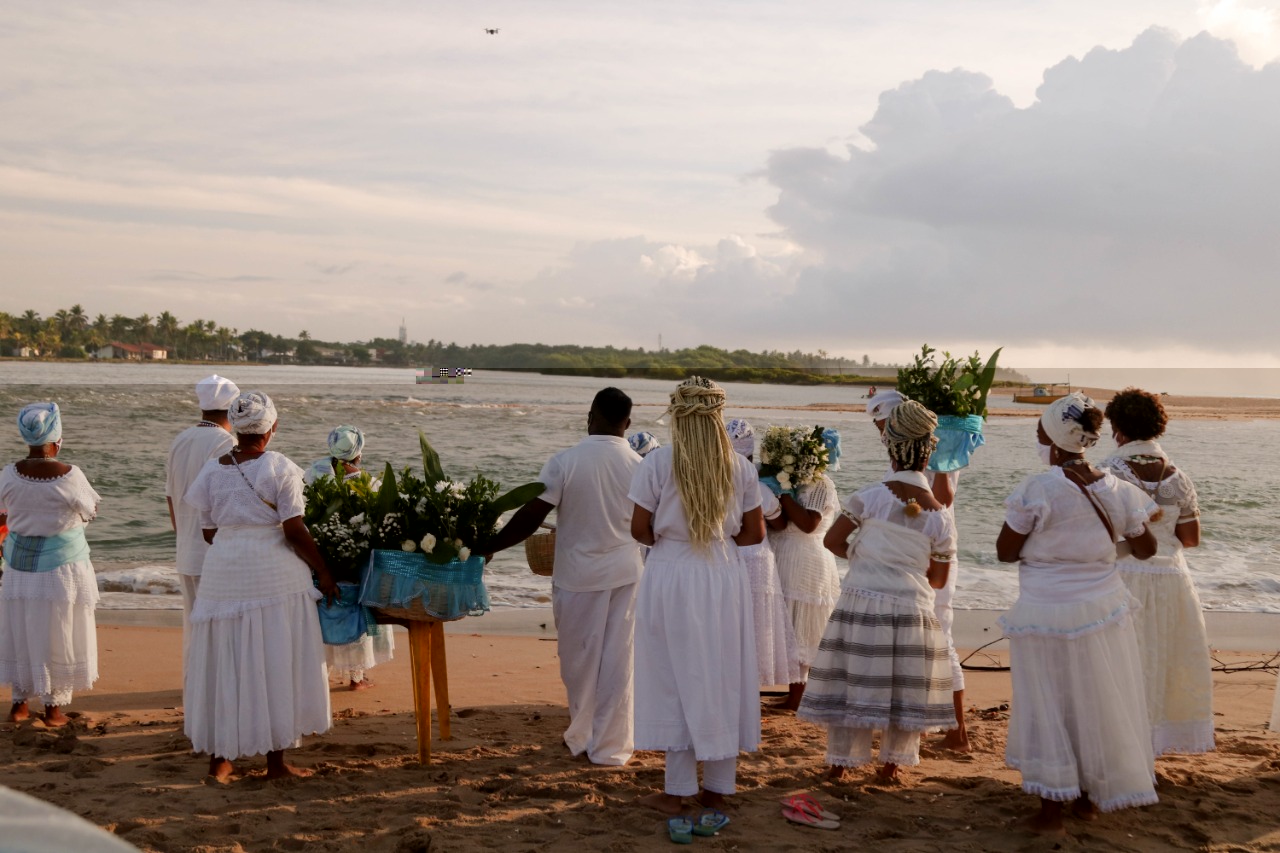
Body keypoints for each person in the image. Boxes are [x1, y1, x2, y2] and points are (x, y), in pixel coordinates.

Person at [996, 392, 1159, 834]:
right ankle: (1087, 800)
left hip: (1047, 611)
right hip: (1104, 607)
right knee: (1093, 699)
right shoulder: (1120, 490)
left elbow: (1005, 552)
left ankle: (1051, 810)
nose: (1036, 441)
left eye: (1038, 433)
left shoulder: (1038, 488)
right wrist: (1097, 552)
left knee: (1050, 701)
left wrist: (1053, 552)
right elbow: (1146, 549)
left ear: (1053, 438)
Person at [484, 388, 644, 766]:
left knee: (579, 662)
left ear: (590, 417)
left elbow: (532, 515)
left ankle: (582, 736)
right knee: (620, 662)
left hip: (578, 576)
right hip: (628, 574)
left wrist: (488, 545)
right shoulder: (641, 465)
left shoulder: (566, 461)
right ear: (628, 423)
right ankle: (613, 749)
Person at [183, 391, 338, 781]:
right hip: (273, 576)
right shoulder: (280, 467)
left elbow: (207, 532)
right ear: (272, 428)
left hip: (223, 574)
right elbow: (294, 529)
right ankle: (275, 763)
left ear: (235, 428)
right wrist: (324, 570)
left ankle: (220, 759)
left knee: (226, 659)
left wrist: (237, 540)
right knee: (273, 660)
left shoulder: (212, 470)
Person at [800, 400, 957, 781]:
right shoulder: (940, 516)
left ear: (891, 447)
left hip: (863, 599)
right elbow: (937, 580)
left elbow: (832, 541)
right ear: (928, 451)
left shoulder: (868, 496)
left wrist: (864, 558)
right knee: (902, 685)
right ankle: (890, 768)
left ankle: (840, 765)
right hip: (910, 606)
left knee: (856, 679)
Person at [628, 377, 763, 814]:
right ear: (718, 417)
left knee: (672, 673)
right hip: (723, 574)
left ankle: (679, 787)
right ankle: (720, 786)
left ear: (678, 415)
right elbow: (755, 534)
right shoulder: (740, 467)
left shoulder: (658, 463)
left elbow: (638, 529)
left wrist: (675, 539)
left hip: (671, 570)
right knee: (721, 671)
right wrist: (716, 538)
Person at [1099, 388, 1213, 756]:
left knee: (1122, 665)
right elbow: (1190, 538)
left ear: (1118, 429)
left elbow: (1100, 533)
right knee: (1162, 661)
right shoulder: (1179, 477)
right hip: (1171, 581)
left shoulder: (1109, 472)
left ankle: (1122, 746)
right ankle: (1153, 746)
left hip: (1125, 577)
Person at [868, 388, 969, 752]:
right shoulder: (904, 454)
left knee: (939, 636)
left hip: (933, 553)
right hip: (911, 556)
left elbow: (940, 501)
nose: (881, 433)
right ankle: (923, 721)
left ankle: (958, 731)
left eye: (884, 425)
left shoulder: (938, 452)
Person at [0, 403, 101, 727]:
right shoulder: (70, 475)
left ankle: (19, 704)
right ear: (57, 442)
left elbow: (2, 514)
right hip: (61, 567)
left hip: (18, 565)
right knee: (58, 632)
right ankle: (53, 709)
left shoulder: (8, 474)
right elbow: (90, 511)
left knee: (22, 629)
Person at [303, 425, 395, 692]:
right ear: (359, 453)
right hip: (356, 560)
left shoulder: (314, 474)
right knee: (358, 612)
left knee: (324, 609)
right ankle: (357, 677)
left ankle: (322, 671)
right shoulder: (369, 483)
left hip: (321, 557)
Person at [166, 374, 239, 664]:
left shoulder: (180, 440)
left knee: (194, 624)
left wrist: (183, 533)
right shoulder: (225, 443)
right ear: (232, 410)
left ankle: (195, 681)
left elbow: (171, 496)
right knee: (219, 627)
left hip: (186, 548)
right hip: (213, 551)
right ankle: (213, 688)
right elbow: (224, 501)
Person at [725, 418, 800, 688]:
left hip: (726, 557)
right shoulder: (760, 488)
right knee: (758, 625)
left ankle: (729, 682)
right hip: (757, 559)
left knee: (729, 624)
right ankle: (755, 686)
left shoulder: (717, 484)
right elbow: (779, 523)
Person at [770, 428, 841, 711]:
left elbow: (809, 523)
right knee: (787, 623)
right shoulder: (795, 481)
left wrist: (784, 494)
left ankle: (798, 697)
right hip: (785, 554)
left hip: (806, 559)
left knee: (802, 626)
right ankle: (792, 693)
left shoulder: (821, 485)